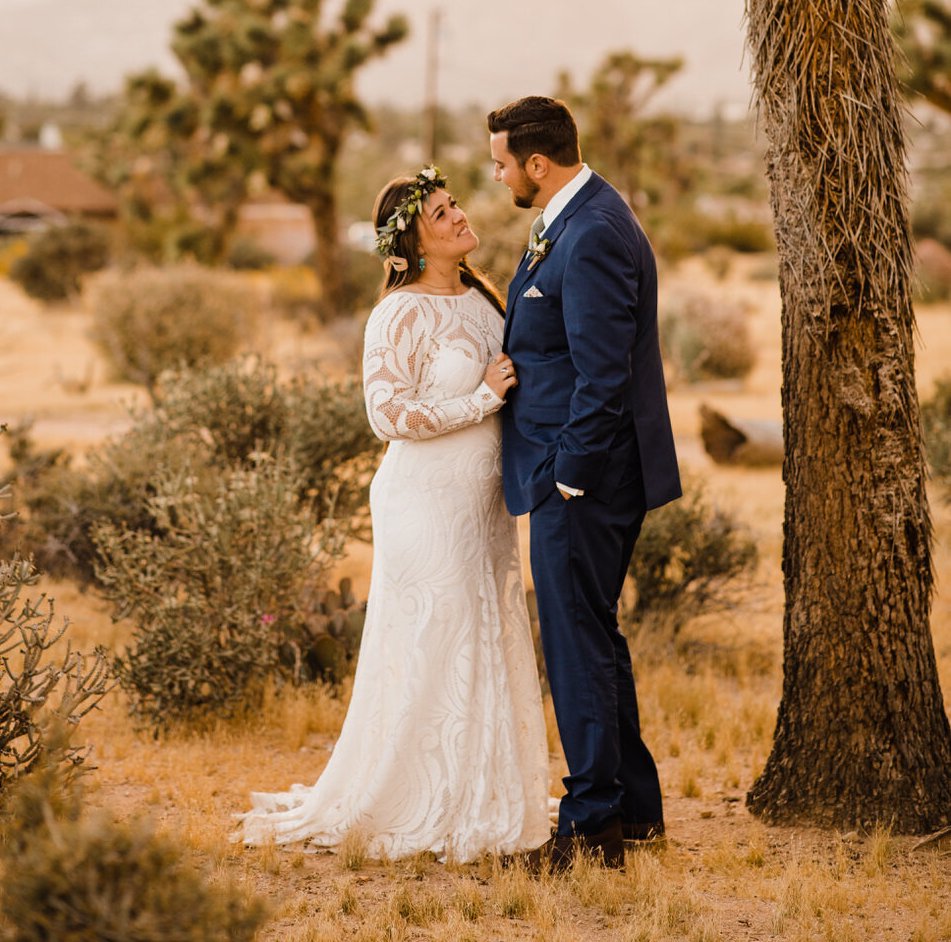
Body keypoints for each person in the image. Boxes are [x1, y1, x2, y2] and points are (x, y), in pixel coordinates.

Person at [235, 165, 550, 862]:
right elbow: (387, 415)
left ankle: (480, 786)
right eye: (440, 215)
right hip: (423, 501)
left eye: (455, 204)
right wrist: (480, 401)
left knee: (482, 632)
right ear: (410, 242)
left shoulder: (482, 302)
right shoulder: (398, 313)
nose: (459, 217)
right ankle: (410, 795)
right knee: (432, 637)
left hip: (481, 502)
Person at [488, 96, 681, 871]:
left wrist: (565, 477)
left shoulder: (594, 231)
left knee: (575, 647)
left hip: (585, 480)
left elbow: (603, 376)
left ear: (537, 163)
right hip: (583, 475)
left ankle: (588, 829)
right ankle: (631, 810)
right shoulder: (573, 217)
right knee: (593, 637)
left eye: (500, 162)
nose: (494, 173)